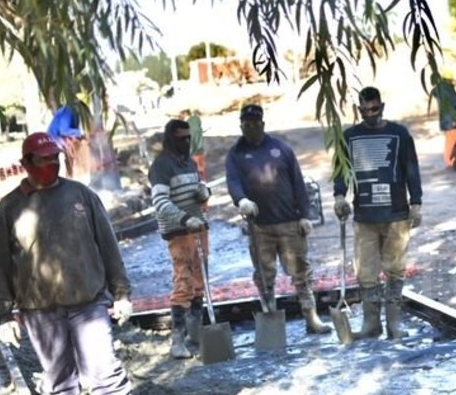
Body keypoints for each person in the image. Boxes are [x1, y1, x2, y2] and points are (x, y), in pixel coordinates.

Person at [0, 132, 137, 395]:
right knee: (57, 374)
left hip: (89, 302)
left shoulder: (81, 196)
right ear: (26, 163)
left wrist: (121, 293)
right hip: (40, 309)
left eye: (54, 159)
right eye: (42, 160)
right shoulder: (9, 209)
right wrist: (3, 314)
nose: (50, 164)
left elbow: (108, 246)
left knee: (105, 367)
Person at [226, 104, 331, 334]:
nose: (251, 128)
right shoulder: (235, 155)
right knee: (264, 276)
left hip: (289, 223)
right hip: (259, 226)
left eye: (255, 124)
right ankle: (271, 317)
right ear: (241, 126)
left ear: (262, 124)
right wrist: (241, 200)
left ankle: (311, 316)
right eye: (246, 125)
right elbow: (233, 181)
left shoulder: (281, 149)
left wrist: (305, 216)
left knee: (301, 271)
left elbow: (298, 183)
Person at [332, 86, 423, 340]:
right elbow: (341, 170)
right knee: (366, 272)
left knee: (395, 269)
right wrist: (339, 196)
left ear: (382, 107)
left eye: (374, 109)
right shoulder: (349, 137)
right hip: (365, 217)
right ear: (359, 110)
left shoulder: (399, 134)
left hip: (396, 214)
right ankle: (371, 323)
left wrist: (416, 202)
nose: (370, 114)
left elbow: (411, 169)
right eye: (365, 110)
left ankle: (394, 324)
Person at [149, 118, 212, 359]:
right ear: (170, 139)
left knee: (199, 282)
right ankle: (177, 340)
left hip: (199, 228)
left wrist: (204, 193)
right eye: (181, 139)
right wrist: (185, 219)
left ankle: (194, 335)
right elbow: (160, 202)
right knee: (184, 282)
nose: (186, 142)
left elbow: (200, 189)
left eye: (188, 138)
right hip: (179, 231)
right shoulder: (161, 166)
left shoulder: (189, 163)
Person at [430, 72, 456, 170]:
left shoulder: (441, 90)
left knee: (449, 141)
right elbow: (450, 107)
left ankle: (450, 161)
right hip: (450, 120)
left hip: (446, 120)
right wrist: (454, 120)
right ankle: (451, 162)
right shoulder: (446, 91)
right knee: (452, 142)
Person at [180, 109, 207, 180]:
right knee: (201, 165)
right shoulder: (196, 119)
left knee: (195, 167)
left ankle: (198, 180)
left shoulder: (187, 125)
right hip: (200, 148)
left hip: (193, 152)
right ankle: (203, 180)